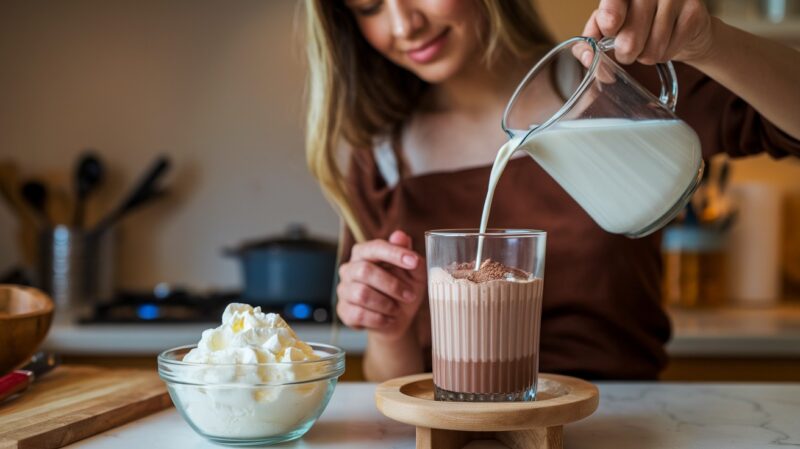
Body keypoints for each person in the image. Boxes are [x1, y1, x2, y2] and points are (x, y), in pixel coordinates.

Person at [303, 0, 800, 381]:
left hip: (622, 421)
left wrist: (709, 43)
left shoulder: (617, 89)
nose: (403, 23)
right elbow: (400, 384)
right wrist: (389, 330)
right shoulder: (382, 161)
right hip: (468, 426)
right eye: (369, 6)